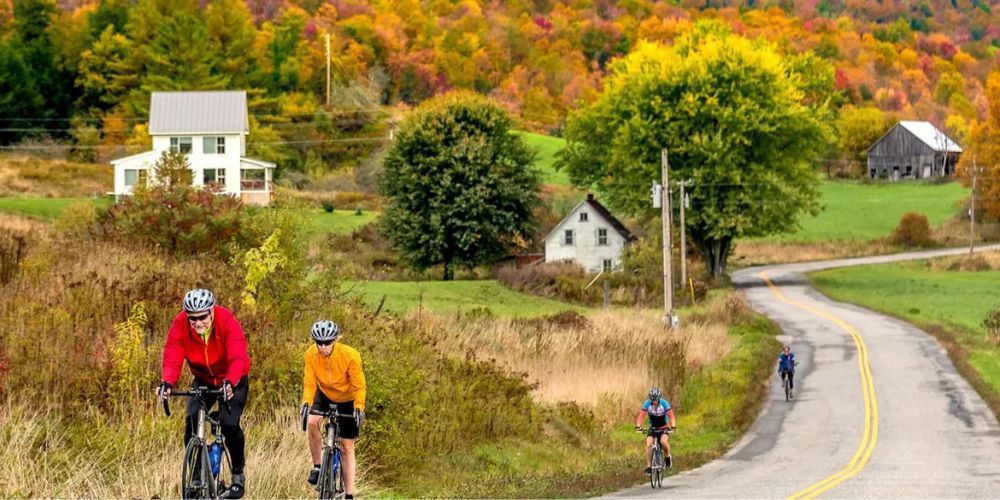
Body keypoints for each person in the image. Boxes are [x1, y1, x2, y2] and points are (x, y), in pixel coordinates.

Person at [157, 288, 251, 498]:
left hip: (232, 378)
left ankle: (238, 472)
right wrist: (168, 382)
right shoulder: (181, 324)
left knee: (229, 424)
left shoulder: (226, 320)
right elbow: (173, 352)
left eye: (202, 317)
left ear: (211, 311)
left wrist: (230, 381)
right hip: (203, 379)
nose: (198, 323)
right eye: (192, 319)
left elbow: (238, 355)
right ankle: (197, 476)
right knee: (191, 419)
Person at [301, 320, 366, 499]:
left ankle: (350, 494)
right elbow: (309, 382)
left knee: (347, 446)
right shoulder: (311, 354)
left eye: (327, 342)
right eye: (318, 342)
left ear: (335, 340)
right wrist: (306, 402)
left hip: (348, 398)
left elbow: (359, 385)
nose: (323, 347)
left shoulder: (350, 355)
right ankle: (317, 466)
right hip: (324, 393)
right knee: (313, 421)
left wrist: (359, 407)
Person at [635, 387, 676, 475]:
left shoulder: (664, 403)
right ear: (650, 399)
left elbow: (671, 416)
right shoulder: (647, 404)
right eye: (653, 400)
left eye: (656, 400)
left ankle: (668, 456)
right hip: (653, 427)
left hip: (664, 427)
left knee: (663, 442)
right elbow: (641, 416)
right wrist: (638, 426)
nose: (654, 402)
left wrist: (673, 426)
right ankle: (649, 467)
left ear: (659, 398)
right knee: (649, 444)